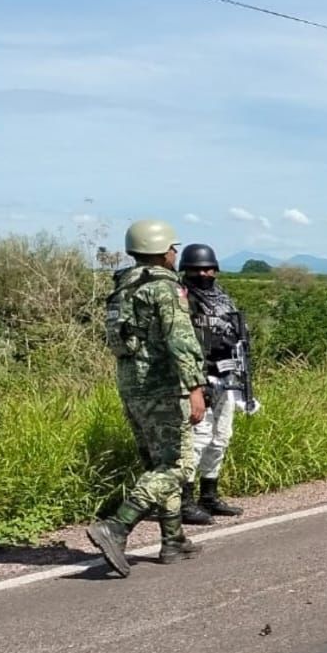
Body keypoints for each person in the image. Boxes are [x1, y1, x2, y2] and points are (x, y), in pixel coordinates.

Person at [87, 219, 209, 578]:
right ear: (160, 250)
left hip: (131, 386)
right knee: (177, 467)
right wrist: (196, 387)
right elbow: (180, 340)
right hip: (163, 386)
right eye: (172, 248)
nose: (175, 253)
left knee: (159, 463)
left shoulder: (123, 287)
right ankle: (117, 527)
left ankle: (173, 540)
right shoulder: (163, 288)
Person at [177, 243, 257, 525]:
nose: (204, 274)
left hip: (227, 376)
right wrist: (195, 383)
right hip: (200, 379)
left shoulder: (222, 298)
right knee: (198, 439)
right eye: (197, 269)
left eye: (208, 269)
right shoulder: (182, 298)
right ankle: (184, 502)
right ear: (186, 270)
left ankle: (208, 496)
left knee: (221, 437)